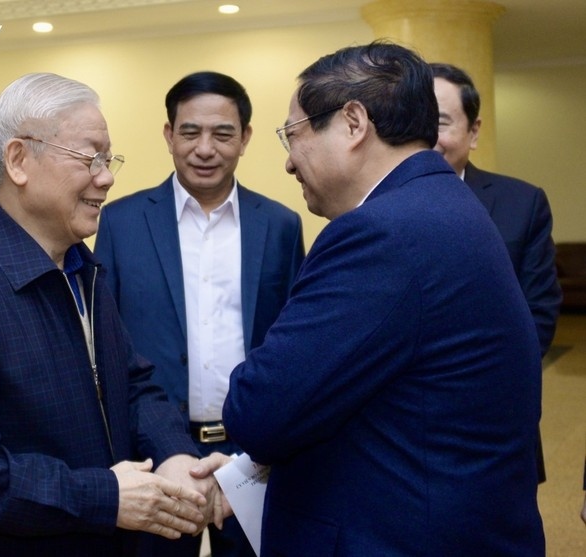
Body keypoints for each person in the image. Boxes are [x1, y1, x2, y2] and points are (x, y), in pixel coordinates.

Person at [217, 41, 545, 556]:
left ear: (353, 123)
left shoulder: (381, 234)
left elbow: (259, 411)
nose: (287, 163)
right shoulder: (443, 203)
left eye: (293, 135)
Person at [0, 72, 223, 557]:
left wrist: (174, 454)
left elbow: (133, 384)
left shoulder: (82, 270)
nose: (106, 177)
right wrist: (103, 497)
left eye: (108, 160)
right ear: (19, 160)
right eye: (90, 158)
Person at [94, 70, 304, 557]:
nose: (204, 148)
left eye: (222, 134)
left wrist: (257, 455)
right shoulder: (121, 223)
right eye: (189, 132)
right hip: (152, 455)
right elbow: (108, 343)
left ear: (246, 138)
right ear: (169, 135)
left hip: (252, 456)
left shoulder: (280, 226)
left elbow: (293, 346)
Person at [431, 62, 562, 482]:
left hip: (493, 424)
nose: (427, 138)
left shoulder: (521, 203)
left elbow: (538, 314)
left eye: (440, 122)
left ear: (473, 131)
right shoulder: (368, 205)